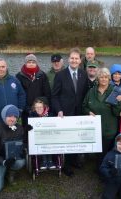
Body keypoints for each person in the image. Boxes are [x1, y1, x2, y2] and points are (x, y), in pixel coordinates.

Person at [51, 47, 88, 176]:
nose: (74, 60)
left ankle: (73, 161)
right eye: (72, 58)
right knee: (66, 140)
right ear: (68, 59)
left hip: (79, 113)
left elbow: (84, 94)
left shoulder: (83, 74)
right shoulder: (60, 75)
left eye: (76, 58)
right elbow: (54, 96)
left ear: (80, 60)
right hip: (64, 114)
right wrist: (59, 110)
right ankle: (65, 165)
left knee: (76, 138)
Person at [0, 105, 26, 193]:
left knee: (21, 161)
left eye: (15, 117)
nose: (12, 119)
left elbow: (22, 144)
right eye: (10, 116)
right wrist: (3, 161)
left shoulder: (19, 129)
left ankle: (9, 172)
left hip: (10, 158)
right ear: (4, 116)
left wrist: (22, 150)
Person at [82, 67, 118, 165]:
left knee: (106, 152)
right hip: (94, 129)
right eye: (101, 77)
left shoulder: (114, 92)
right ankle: (98, 165)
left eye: (106, 77)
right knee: (97, 152)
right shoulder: (91, 91)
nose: (103, 79)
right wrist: (88, 112)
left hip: (109, 129)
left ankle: (103, 168)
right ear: (98, 78)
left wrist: (118, 103)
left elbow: (118, 112)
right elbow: (84, 106)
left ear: (109, 79)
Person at [16, 54, 51, 127]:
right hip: (26, 110)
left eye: (33, 62)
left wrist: (42, 107)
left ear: (36, 63)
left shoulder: (42, 75)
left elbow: (47, 93)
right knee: (27, 130)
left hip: (40, 110)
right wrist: (27, 109)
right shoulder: (19, 76)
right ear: (25, 63)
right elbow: (19, 94)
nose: (31, 64)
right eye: (29, 62)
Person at [28, 98, 56, 169]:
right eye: (37, 107)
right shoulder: (32, 115)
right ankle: (44, 161)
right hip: (37, 137)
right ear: (34, 108)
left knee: (48, 140)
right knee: (42, 140)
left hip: (49, 136)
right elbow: (28, 128)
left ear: (44, 107)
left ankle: (49, 160)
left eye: (40, 107)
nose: (39, 109)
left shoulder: (50, 115)